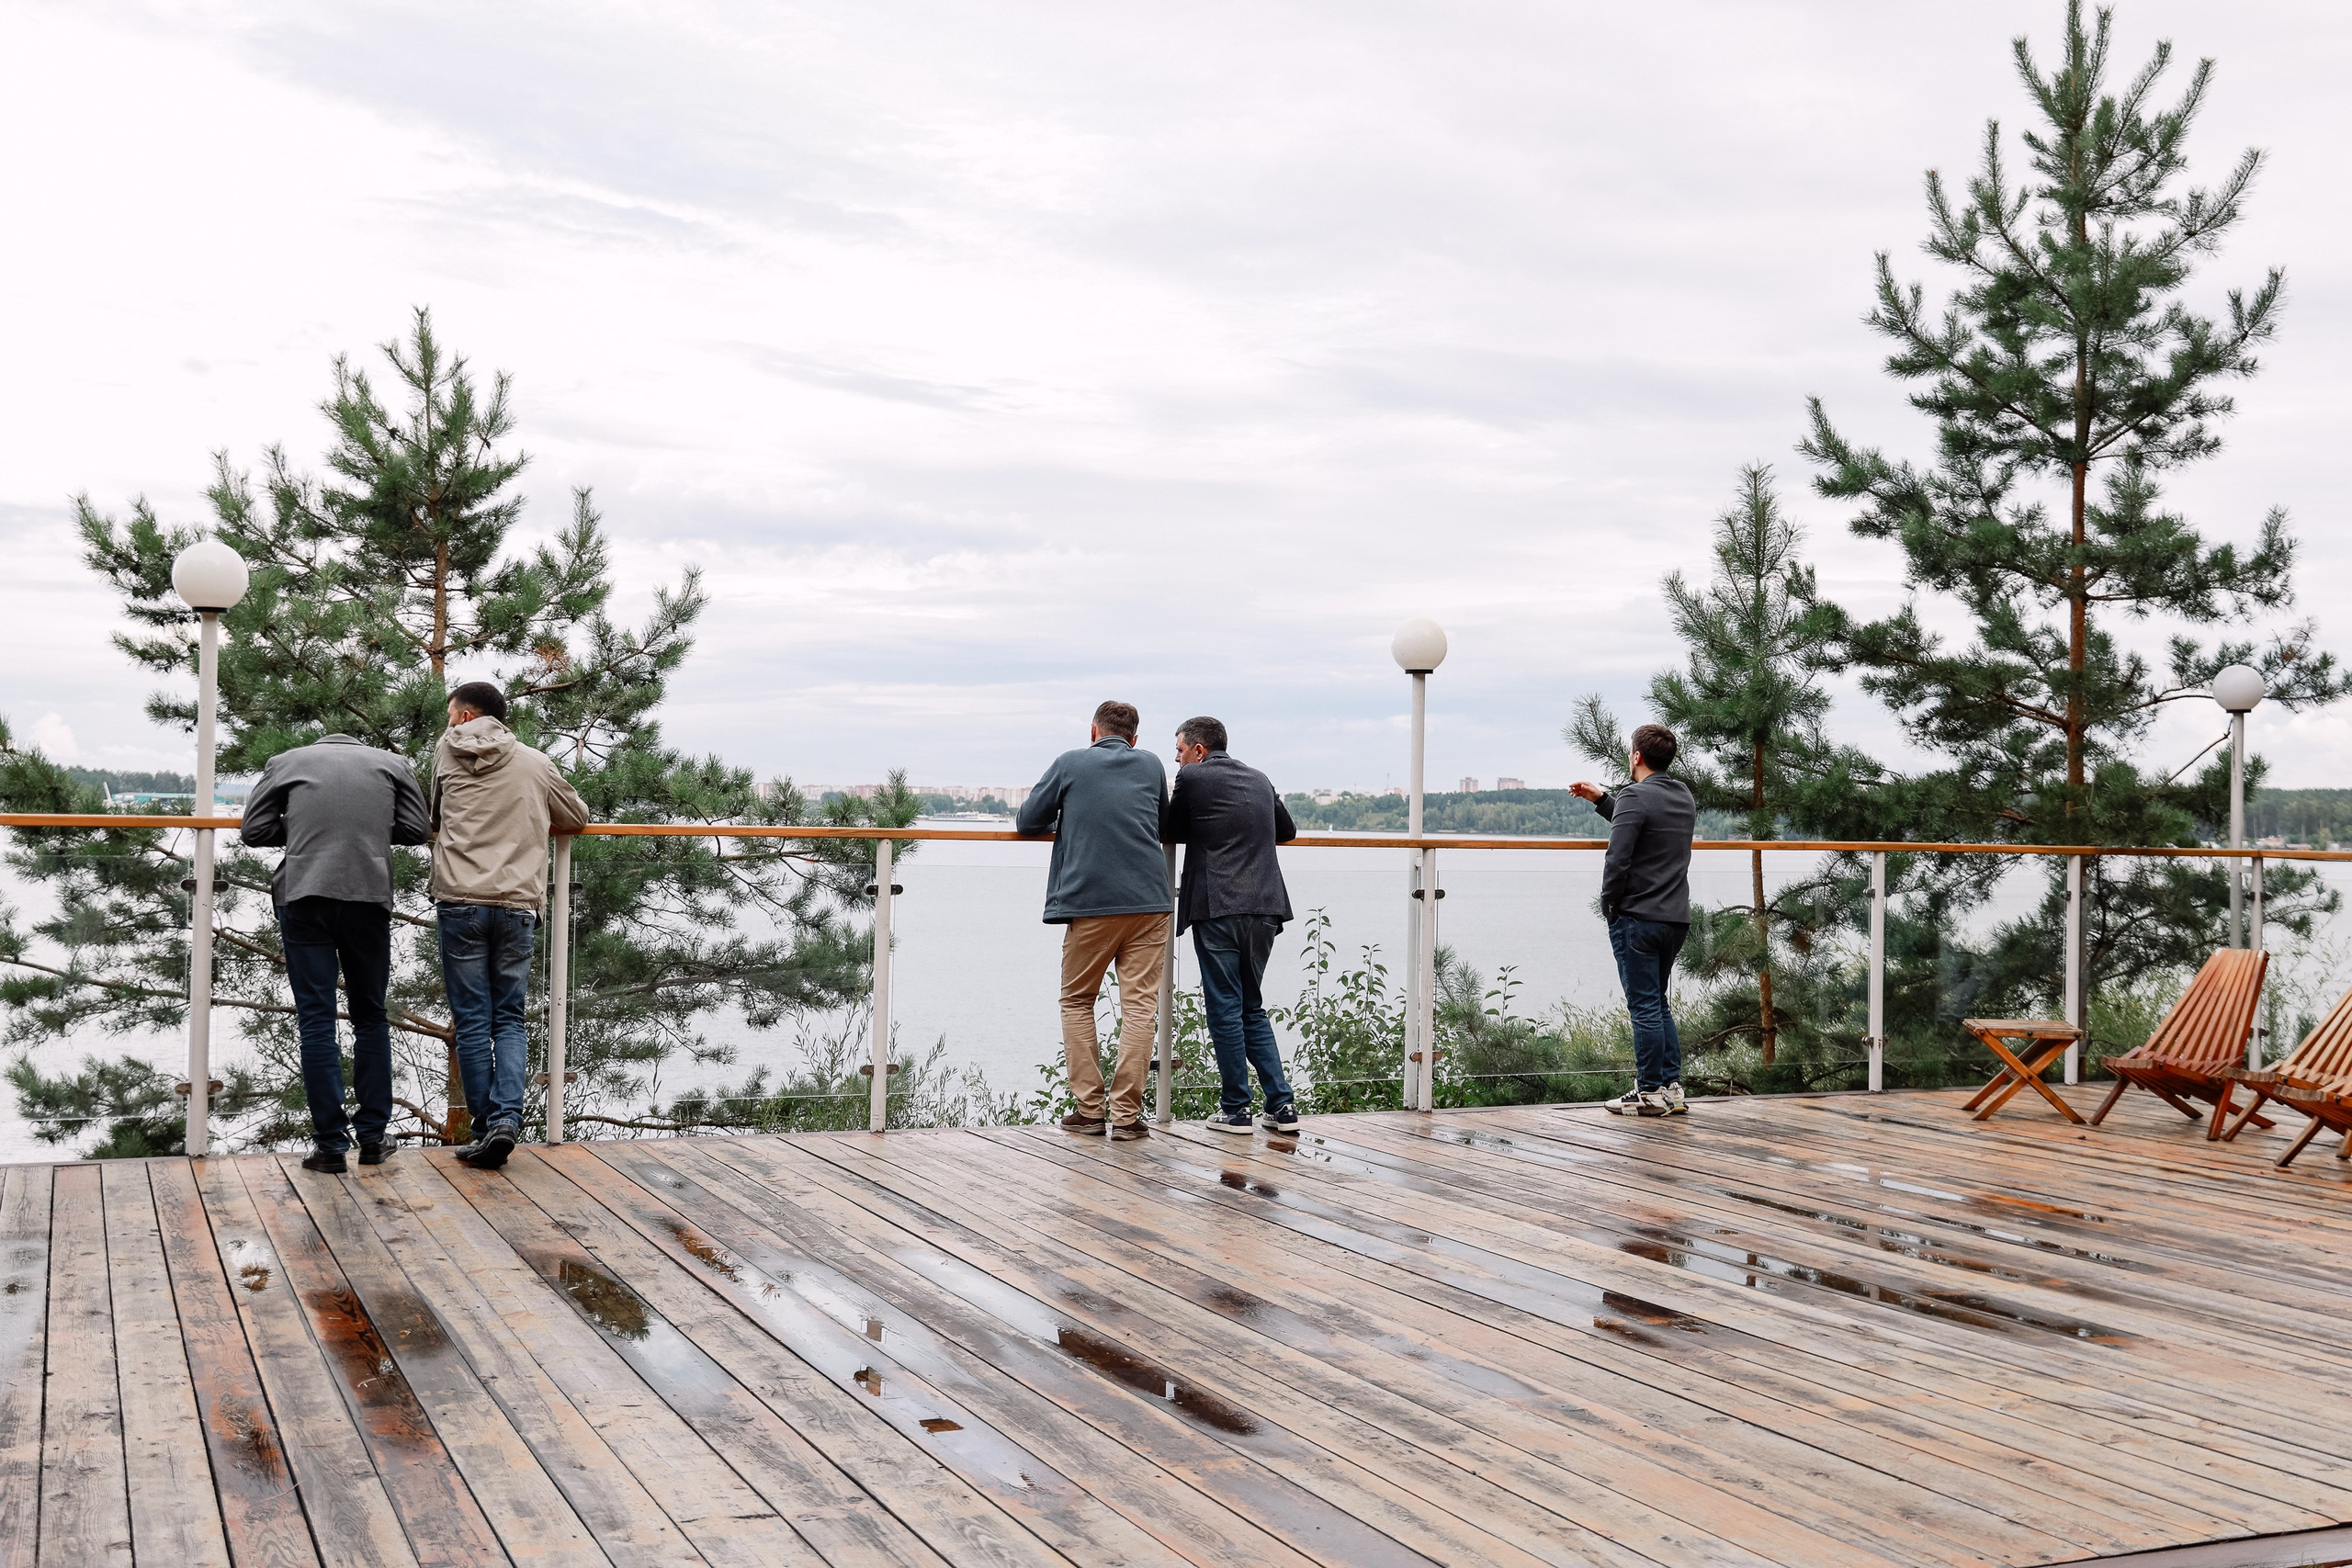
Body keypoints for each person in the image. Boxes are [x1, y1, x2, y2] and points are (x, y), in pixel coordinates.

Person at [240, 732, 431, 1173]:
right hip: (367, 896)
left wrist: (305, 826)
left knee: (316, 1021)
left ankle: (329, 1145)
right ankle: (373, 1138)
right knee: (370, 1015)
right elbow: (417, 829)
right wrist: (368, 826)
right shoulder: (392, 764)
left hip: (305, 897)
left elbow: (255, 830)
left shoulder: (286, 760)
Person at [430, 680, 590, 1168]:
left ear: (463, 716)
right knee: (510, 1018)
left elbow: (432, 815)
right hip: (517, 902)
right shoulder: (535, 762)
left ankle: (484, 1128)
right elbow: (577, 817)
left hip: (460, 898)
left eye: (450, 714)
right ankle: (505, 1121)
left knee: (474, 1020)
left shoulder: (445, 754)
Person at [1015, 700, 1171, 1140]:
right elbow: (1163, 823)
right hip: (1150, 902)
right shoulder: (1151, 764)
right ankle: (1126, 1117)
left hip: (1091, 903)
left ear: (1093, 732)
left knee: (1078, 1000)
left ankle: (1090, 1111)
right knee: (1140, 1006)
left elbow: (1029, 821)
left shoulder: (1070, 764)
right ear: (1134, 738)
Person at [1165, 716, 1300, 1135]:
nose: (1178, 761)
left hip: (1218, 906)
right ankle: (1281, 1107)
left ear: (1199, 751)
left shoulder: (1193, 780)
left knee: (1224, 1007)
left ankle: (1235, 1109)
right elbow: (1287, 831)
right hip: (1264, 906)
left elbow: (1166, 829)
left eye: (1180, 752)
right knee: (1250, 1006)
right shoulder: (1260, 778)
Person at [1571, 723, 1696, 1117]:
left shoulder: (1635, 796)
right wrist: (1604, 800)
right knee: (1657, 1004)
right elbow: (1646, 823)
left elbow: (1618, 857)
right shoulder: (1682, 795)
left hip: (1638, 918)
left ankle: (1647, 1092)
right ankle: (1671, 1088)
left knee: (1643, 1007)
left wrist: (1610, 906)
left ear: (1637, 756)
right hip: (1675, 918)